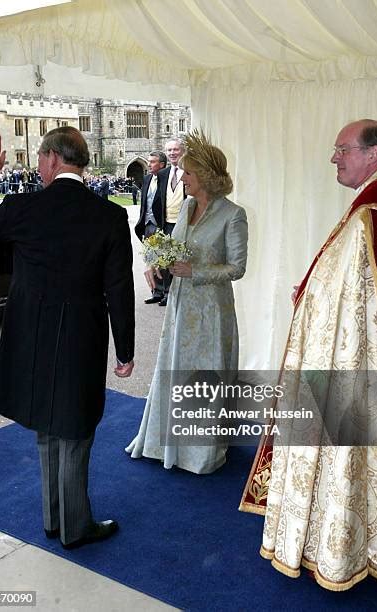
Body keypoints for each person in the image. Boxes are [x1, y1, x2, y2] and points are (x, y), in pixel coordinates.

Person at [240, 119, 377, 589]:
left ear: (373, 154)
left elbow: (336, 305)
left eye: (342, 149)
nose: (334, 157)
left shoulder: (367, 218)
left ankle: (335, 547)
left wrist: (308, 294)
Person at [0, 128, 135, 549]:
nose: (38, 166)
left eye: (41, 159)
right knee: (76, 429)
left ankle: (54, 518)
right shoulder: (109, 216)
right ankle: (74, 527)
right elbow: (119, 288)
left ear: (54, 159)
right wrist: (126, 349)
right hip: (82, 338)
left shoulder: (25, 206)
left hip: (34, 340)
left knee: (47, 425)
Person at [126, 129, 248, 474]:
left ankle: (199, 451)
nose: (181, 176)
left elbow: (237, 268)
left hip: (212, 310)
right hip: (181, 306)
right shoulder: (187, 207)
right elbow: (174, 246)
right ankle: (167, 442)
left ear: (206, 176)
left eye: (188, 172)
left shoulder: (233, 214)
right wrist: (157, 261)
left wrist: (195, 270)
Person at [156, 138, 186, 306]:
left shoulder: (190, 171)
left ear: (182, 151)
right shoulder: (162, 174)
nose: (172, 153)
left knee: (182, 259)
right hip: (167, 223)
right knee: (167, 260)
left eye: (176, 149)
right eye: (169, 151)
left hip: (184, 223)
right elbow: (158, 201)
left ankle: (182, 293)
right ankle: (167, 293)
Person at [134, 150, 167, 304]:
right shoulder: (147, 178)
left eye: (152, 161)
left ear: (162, 164)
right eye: (148, 161)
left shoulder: (166, 179)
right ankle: (156, 291)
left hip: (159, 223)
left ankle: (166, 291)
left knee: (163, 258)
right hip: (147, 224)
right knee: (150, 257)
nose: (149, 164)